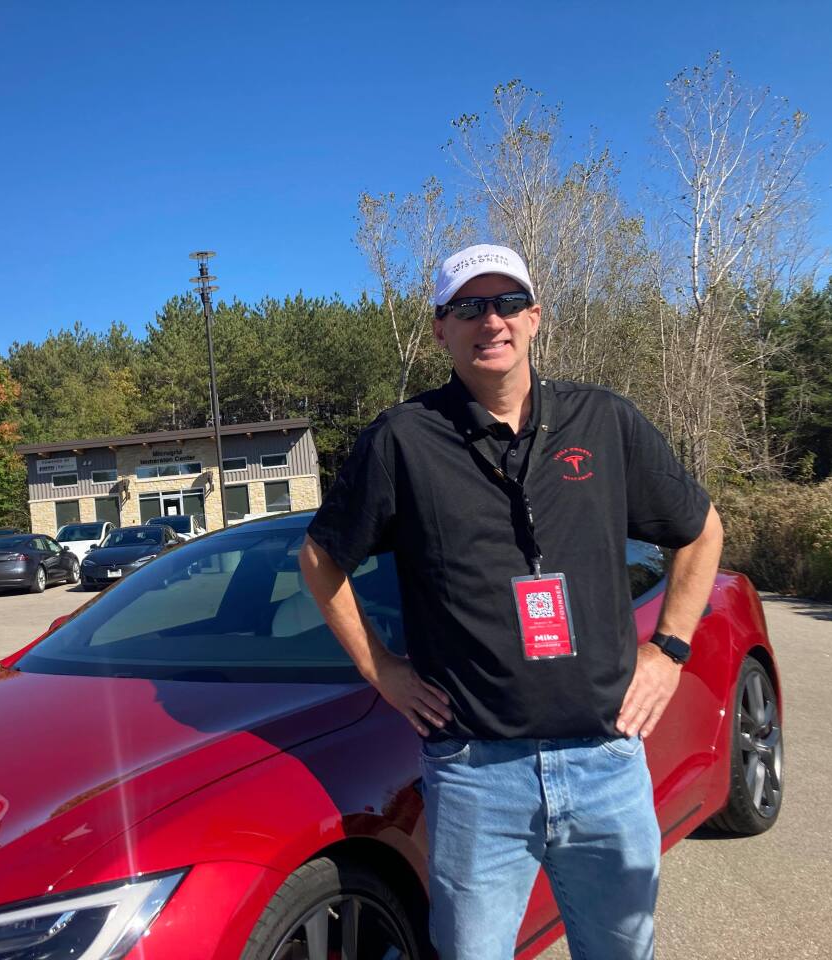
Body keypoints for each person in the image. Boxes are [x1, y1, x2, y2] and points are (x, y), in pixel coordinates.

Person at [298, 243, 724, 959]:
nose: (488, 320)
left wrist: (670, 649)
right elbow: (320, 558)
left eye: (504, 304)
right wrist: (384, 670)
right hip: (474, 773)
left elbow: (701, 531)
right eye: (467, 306)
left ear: (534, 319)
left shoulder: (604, 422)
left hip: (605, 760)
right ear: (440, 328)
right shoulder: (403, 439)